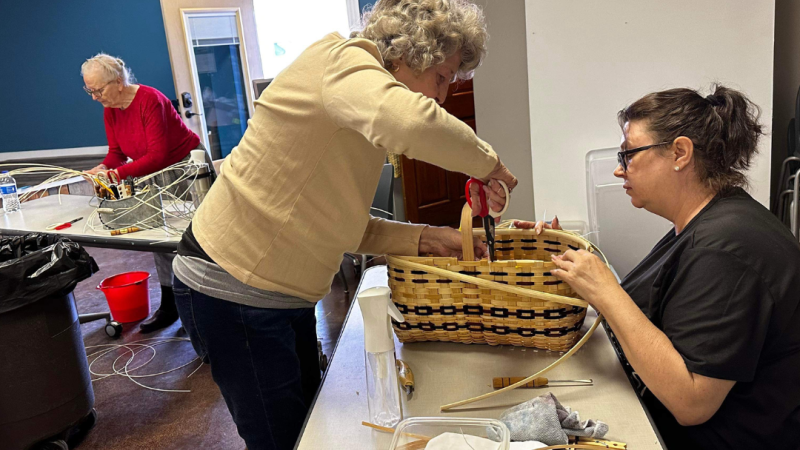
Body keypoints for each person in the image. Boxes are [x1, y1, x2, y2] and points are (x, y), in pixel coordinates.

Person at [171, 1, 517, 449]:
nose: (442, 96)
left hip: (277, 296)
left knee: (306, 432)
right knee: (281, 440)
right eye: (442, 77)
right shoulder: (342, 63)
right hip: (230, 289)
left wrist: (429, 238)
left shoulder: (352, 108)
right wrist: (491, 165)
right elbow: (411, 120)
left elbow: (341, 225)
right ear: (414, 54)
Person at [519, 85, 800, 449]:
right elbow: (657, 308)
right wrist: (567, 257)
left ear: (680, 153)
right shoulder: (711, 220)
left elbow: (691, 402)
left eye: (629, 155)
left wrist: (606, 290)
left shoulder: (727, 248)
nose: (620, 171)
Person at [81, 53, 206, 333]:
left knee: (193, 241)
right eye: (89, 90)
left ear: (119, 82)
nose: (94, 97)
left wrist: (113, 175)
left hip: (185, 170)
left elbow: (158, 155)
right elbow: (117, 153)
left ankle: (199, 309)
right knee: (159, 239)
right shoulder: (110, 107)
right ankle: (171, 306)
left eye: (98, 90)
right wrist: (100, 168)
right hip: (151, 174)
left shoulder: (150, 99)